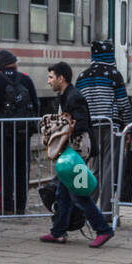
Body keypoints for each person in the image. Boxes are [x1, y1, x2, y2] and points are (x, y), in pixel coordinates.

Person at [40, 62, 113, 247]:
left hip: (77, 151)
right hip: (72, 151)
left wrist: (60, 129)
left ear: (60, 78)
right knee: (64, 192)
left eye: (51, 77)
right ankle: (58, 232)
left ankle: (103, 229)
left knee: (78, 194)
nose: (49, 81)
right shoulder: (66, 96)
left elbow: (81, 124)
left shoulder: (74, 97)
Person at [76, 40, 132, 216]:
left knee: (93, 168)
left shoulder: (82, 76)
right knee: (109, 168)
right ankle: (107, 212)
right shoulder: (113, 74)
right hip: (111, 127)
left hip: (90, 128)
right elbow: (123, 103)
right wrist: (128, 126)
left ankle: (88, 208)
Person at [0, 50, 39, 215]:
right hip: (24, 131)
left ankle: (6, 205)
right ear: (14, 63)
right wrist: (32, 127)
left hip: (3, 133)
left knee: (5, 169)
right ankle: (21, 205)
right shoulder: (26, 78)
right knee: (22, 168)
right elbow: (35, 104)